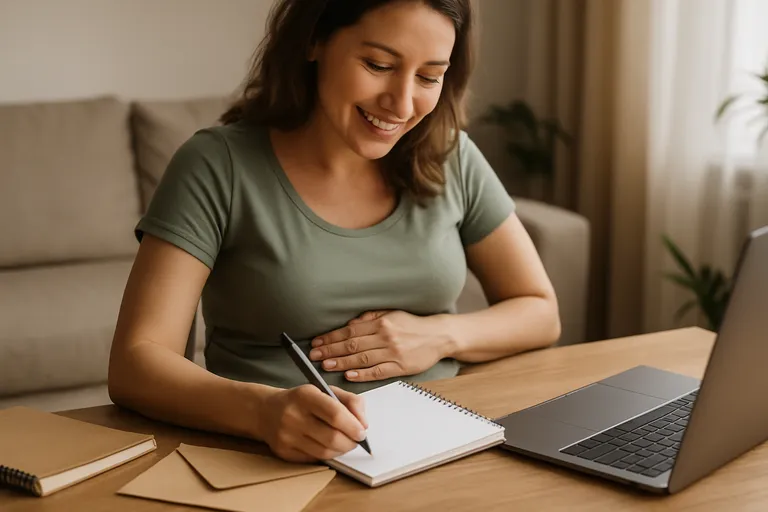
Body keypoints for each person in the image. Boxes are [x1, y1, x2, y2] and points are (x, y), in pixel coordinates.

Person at [107, 0, 561, 464]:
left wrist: (440, 336)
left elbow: (540, 311)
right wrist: (262, 413)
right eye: (378, 64)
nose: (402, 105)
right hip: (269, 459)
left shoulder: (451, 156)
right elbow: (135, 363)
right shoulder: (216, 165)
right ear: (313, 40)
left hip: (442, 448)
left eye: (428, 76)